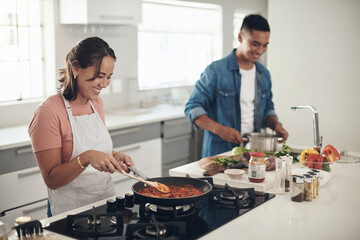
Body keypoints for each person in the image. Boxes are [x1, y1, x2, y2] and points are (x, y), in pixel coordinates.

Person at [28, 37, 135, 216]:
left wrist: (115, 155)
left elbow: (93, 147)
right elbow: (51, 180)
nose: (104, 84)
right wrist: (86, 158)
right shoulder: (48, 112)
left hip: (105, 204)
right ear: (76, 68)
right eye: (100, 76)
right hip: (69, 213)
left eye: (109, 77)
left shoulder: (96, 103)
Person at [184, 14, 289, 158]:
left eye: (265, 45)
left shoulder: (264, 74)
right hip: (219, 154)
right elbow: (192, 108)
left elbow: (267, 109)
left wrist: (276, 125)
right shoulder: (215, 71)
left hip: (253, 155)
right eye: (255, 43)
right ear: (240, 37)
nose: (260, 50)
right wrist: (220, 129)